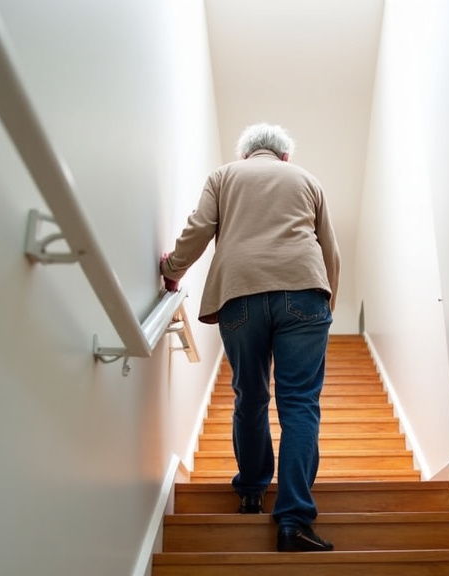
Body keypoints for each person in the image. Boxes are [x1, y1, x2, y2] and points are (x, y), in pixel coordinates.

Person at [159, 123, 340, 552]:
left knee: (251, 395)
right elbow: (329, 249)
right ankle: (293, 521)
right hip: (304, 292)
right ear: (284, 158)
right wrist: (325, 307)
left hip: (239, 294)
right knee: (299, 402)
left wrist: (173, 269)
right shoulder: (307, 179)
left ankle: (252, 491)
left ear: (245, 155)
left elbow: (200, 227)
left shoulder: (224, 175)